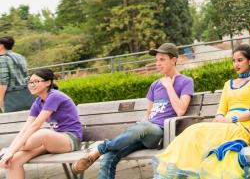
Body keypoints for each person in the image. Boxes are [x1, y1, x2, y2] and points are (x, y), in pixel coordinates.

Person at [72, 42, 194, 178]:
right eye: (156, 60)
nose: (158, 63)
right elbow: (148, 112)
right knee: (109, 158)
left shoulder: (186, 81)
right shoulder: (155, 85)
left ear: (174, 60)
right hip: (142, 132)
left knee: (143, 127)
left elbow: (181, 111)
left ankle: (99, 149)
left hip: (160, 134)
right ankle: (103, 151)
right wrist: (141, 125)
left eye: (162, 60)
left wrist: (169, 87)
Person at [152, 43, 250, 179]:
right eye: (234, 61)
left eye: (240, 60)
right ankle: (177, 172)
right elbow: (221, 109)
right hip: (224, 124)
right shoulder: (228, 84)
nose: (236, 64)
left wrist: (230, 120)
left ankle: (180, 174)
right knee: (192, 131)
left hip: (240, 127)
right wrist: (219, 118)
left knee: (197, 131)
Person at [0, 68, 82, 178]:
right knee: (14, 160)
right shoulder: (37, 102)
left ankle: (8, 152)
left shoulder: (54, 96)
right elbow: (25, 129)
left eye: (36, 81)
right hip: (51, 142)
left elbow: (35, 126)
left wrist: (11, 150)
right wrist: (11, 152)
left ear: (48, 82)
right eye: (30, 82)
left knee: (42, 133)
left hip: (69, 139)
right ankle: (9, 152)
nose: (32, 85)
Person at [0, 36, 34, 113]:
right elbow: (26, 75)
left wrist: (1, 100)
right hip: (26, 93)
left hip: (11, 96)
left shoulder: (1, 59)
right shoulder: (20, 56)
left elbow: (3, 82)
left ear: (1, 46)